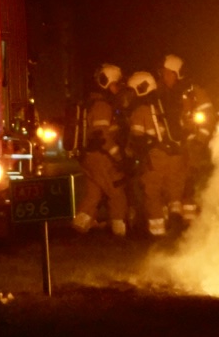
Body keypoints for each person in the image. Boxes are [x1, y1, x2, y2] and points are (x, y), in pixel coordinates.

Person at [72, 63, 129, 237]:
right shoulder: (103, 106)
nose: (117, 89)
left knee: (93, 195)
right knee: (117, 193)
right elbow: (102, 136)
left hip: (89, 158)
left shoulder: (91, 103)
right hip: (101, 158)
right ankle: (120, 231)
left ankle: (79, 225)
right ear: (109, 84)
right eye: (116, 84)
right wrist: (118, 156)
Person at [128, 70, 183, 236]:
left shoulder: (140, 111)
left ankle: (157, 233)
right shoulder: (163, 105)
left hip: (155, 158)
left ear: (140, 89)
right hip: (173, 155)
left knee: (152, 193)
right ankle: (176, 224)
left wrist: (131, 157)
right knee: (171, 190)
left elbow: (137, 140)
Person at [160, 54, 213, 220]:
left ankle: (189, 222)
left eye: (167, 73)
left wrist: (199, 140)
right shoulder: (164, 94)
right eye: (163, 73)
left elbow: (208, 117)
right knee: (173, 182)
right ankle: (175, 220)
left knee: (189, 182)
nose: (164, 76)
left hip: (192, 145)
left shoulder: (194, 92)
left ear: (176, 73)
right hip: (175, 146)